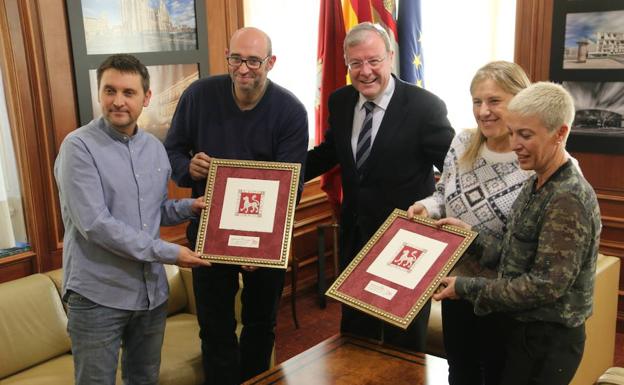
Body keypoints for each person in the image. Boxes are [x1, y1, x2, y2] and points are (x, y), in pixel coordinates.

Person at [54, 54, 211, 385]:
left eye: (128, 92)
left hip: (150, 294)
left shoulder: (154, 148)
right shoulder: (78, 147)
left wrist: (190, 207)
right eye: (110, 91)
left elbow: (153, 212)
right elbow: (97, 225)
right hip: (99, 297)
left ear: (146, 98)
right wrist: (170, 253)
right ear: (99, 93)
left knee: (144, 380)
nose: (118, 102)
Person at [164, 27, 308, 384]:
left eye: (254, 61)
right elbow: (172, 151)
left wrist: (261, 246)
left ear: (270, 63)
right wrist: (187, 168)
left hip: (266, 241)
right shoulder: (198, 96)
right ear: (227, 57)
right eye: (236, 59)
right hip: (208, 235)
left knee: (260, 326)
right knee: (215, 330)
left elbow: (292, 187)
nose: (243, 69)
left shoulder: (290, 111)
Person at [434, 82, 601, 385]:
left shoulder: (567, 197)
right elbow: (515, 254)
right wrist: (470, 236)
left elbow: (545, 285)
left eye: (525, 135)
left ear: (560, 134)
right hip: (519, 331)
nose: (514, 144)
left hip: (546, 340)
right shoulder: (535, 181)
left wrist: (467, 288)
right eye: (512, 133)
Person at [305, 22, 455, 351]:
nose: (366, 71)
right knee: (356, 335)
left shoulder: (424, 107)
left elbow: (454, 170)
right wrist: (280, 178)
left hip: (406, 244)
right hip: (356, 237)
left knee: (405, 341)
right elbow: (329, 152)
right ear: (346, 64)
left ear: (389, 56)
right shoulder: (341, 101)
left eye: (374, 60)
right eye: (355, 63)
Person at [407, 61, 532, 385]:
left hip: (502, 296)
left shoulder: (534, 160)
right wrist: (425, 207)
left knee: (496, 375)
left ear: (519, 101)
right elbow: (442, 195)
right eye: (477, 101)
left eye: (494, 101)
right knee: (459, 372)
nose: (483, 111)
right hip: (455, 287)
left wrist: (474, 238)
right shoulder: (462, 143)